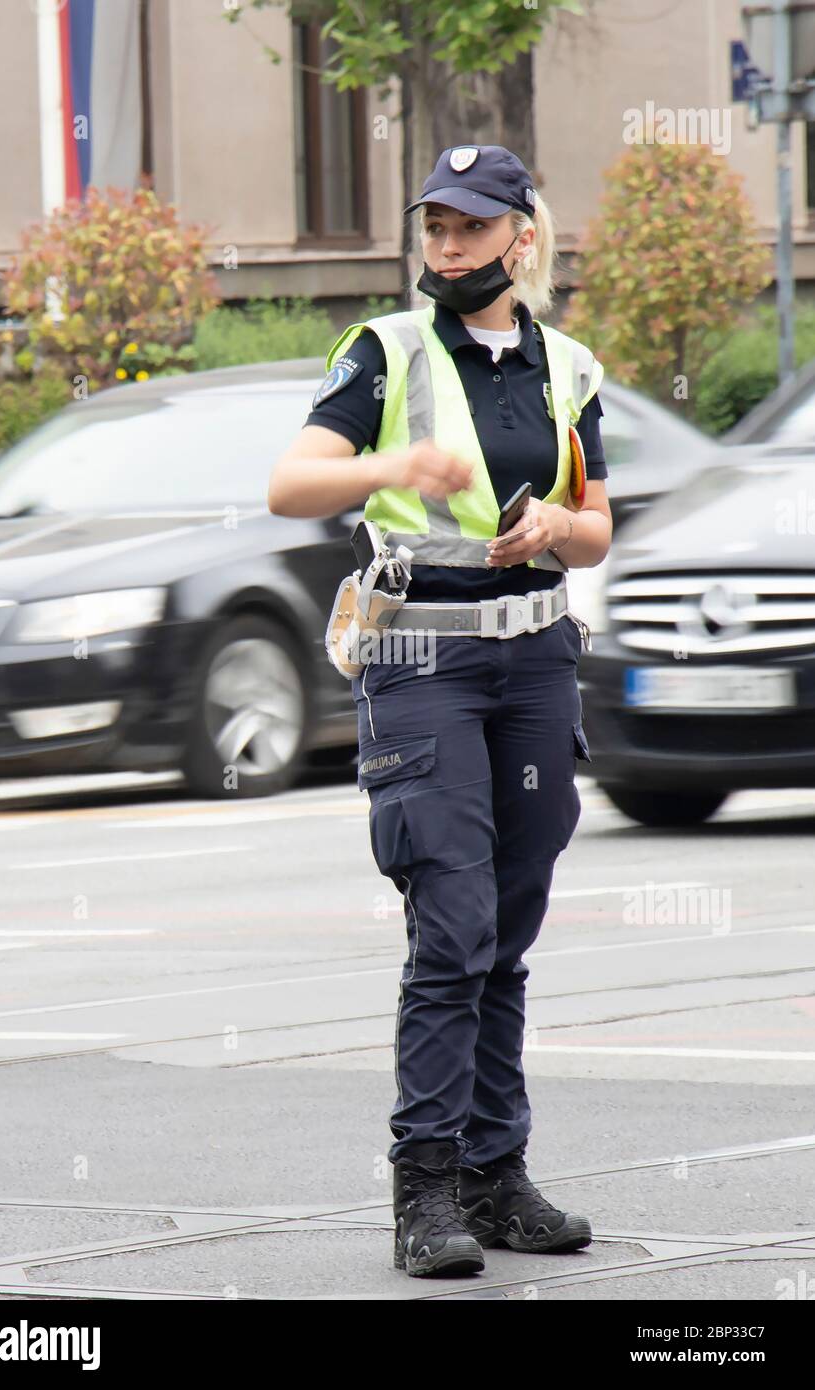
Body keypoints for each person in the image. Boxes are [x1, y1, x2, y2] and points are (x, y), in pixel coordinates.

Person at [268, 145, 613, 1279]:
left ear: (520, 236)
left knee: (506, 932)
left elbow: (596, 523)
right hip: (423, 663)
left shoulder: (565, 365)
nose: (447, 246)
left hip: (533, 663)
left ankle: (495, 1175)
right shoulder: (388, 351)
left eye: (470, 228)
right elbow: (289, 483)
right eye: (434, 227)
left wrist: (549, 532)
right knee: (451, 928)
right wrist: (388, 464)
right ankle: (422, 1191)